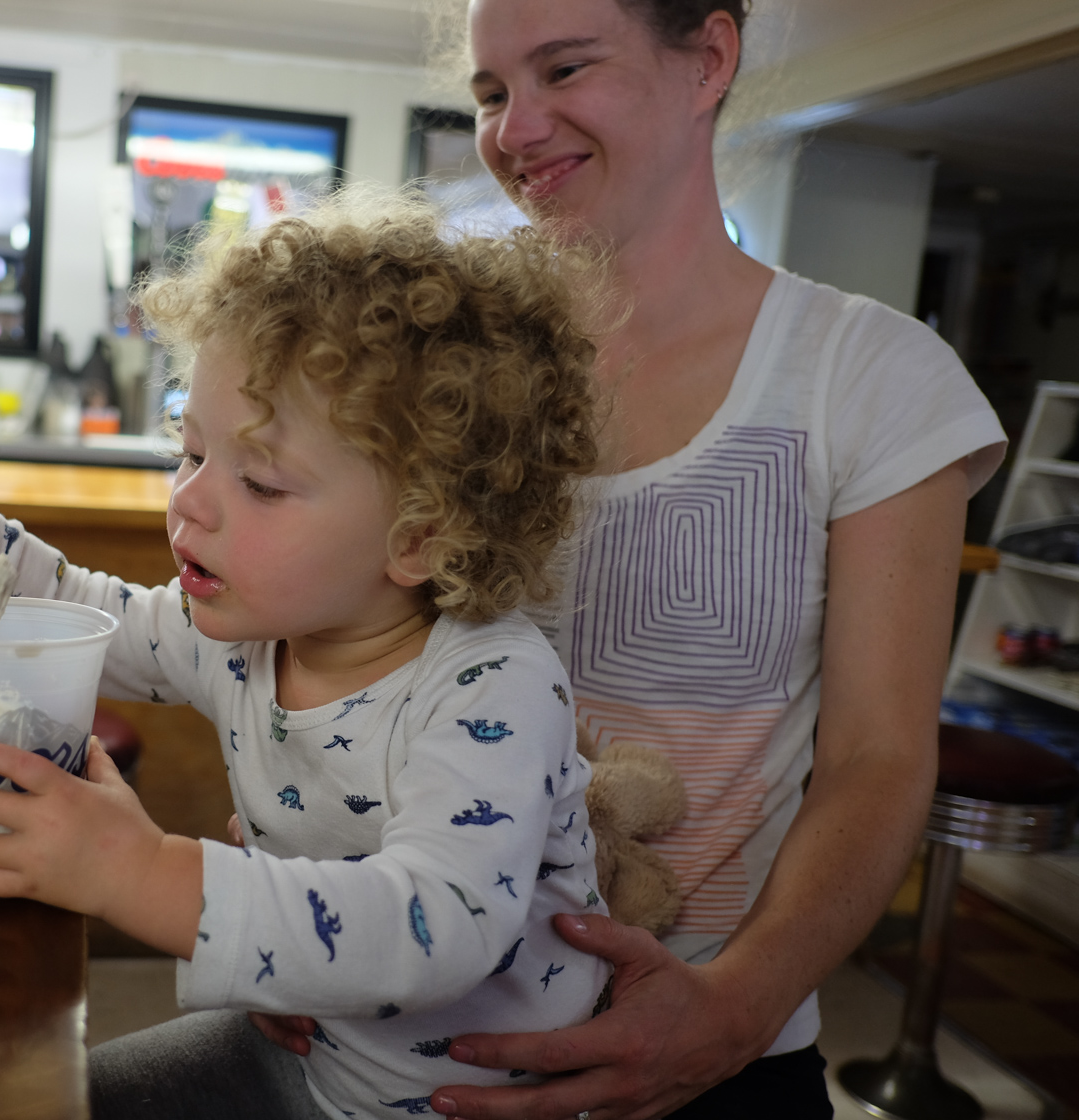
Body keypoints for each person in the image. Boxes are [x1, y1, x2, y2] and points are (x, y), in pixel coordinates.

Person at [240, 2, 1007, 1118]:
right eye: (494, 92)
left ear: (708, 57)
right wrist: (288, 872)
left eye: (564, 69)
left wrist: (735, 1007)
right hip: (383, 1028)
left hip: (706, 1053)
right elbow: (337, 641)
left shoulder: (872, 374)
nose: (515, 129)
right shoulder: (432, 353)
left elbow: (879, 762)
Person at [0, 196, 615, 1119]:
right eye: (190, 451)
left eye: (261, 481)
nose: (190, 503)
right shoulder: (237, 635)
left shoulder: (493, 684)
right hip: (306, 1064)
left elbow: (438, 925)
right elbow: (76, 609)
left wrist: (138, 870)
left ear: (420, 538)